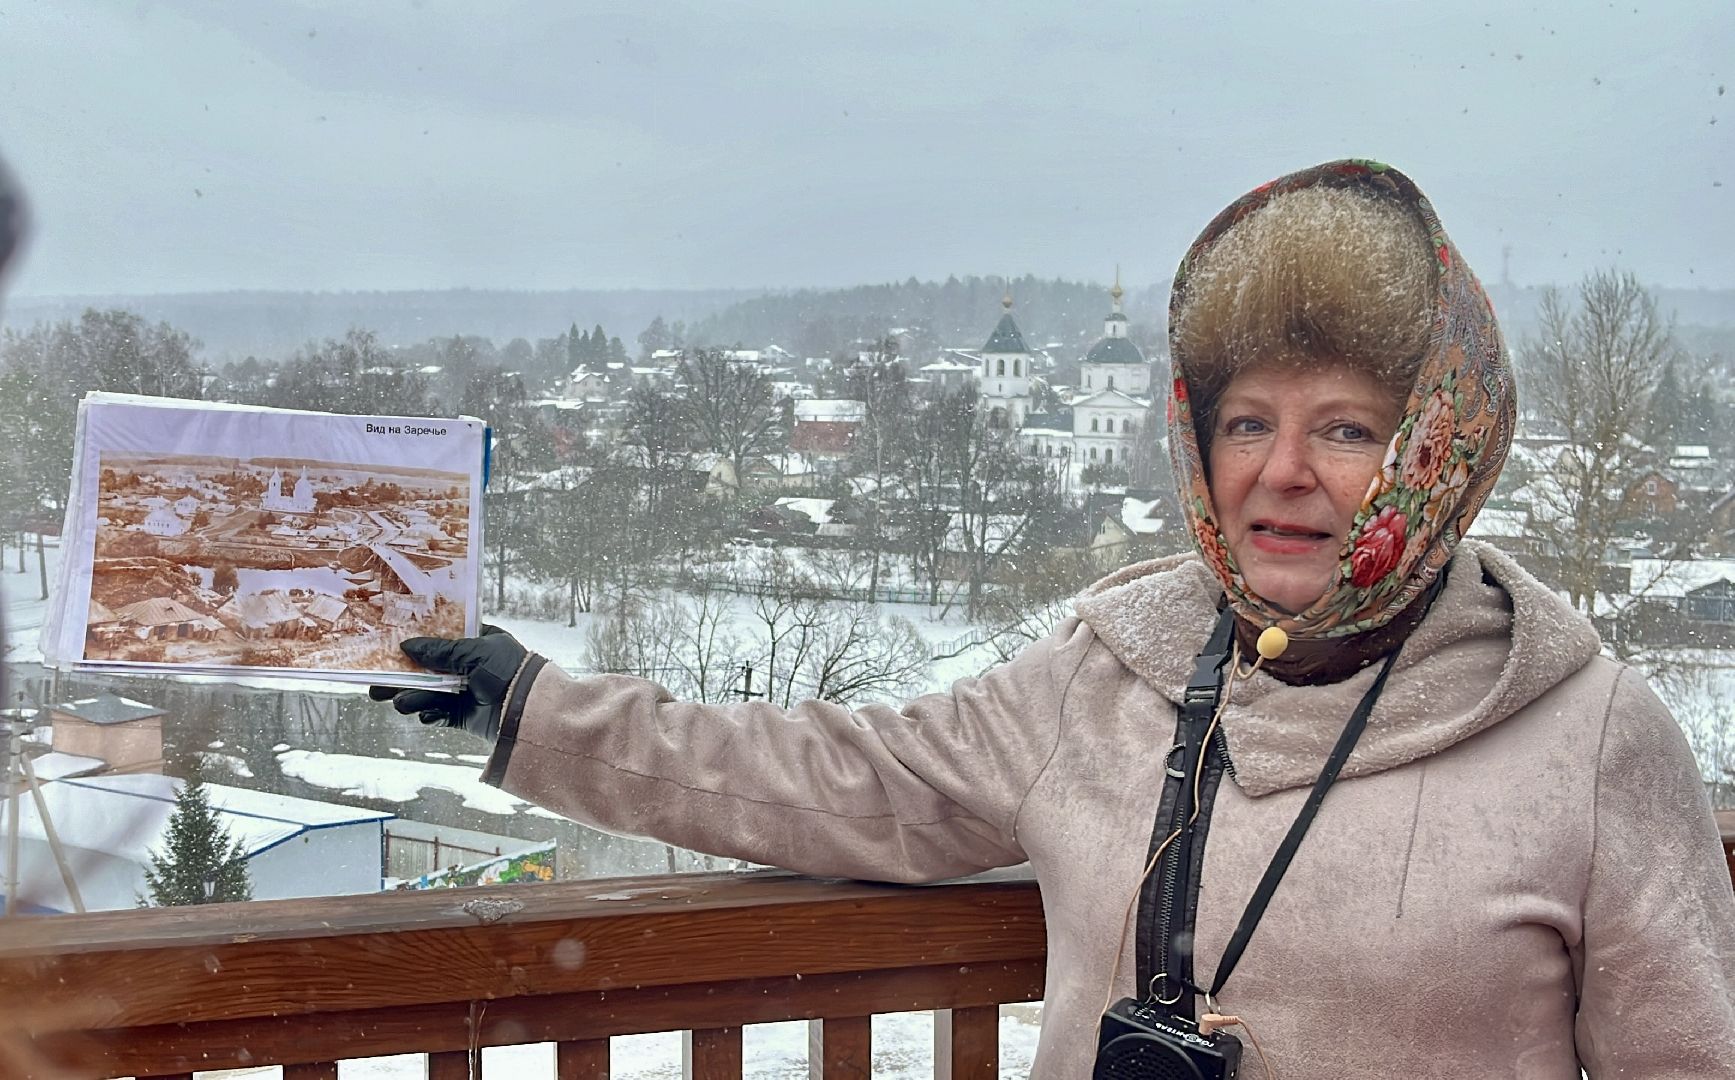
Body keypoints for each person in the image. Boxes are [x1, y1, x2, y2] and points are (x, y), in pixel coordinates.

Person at [375, 160, 1735, 1077]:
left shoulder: (1585, 737)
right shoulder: (1115, 668)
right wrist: (542, 713)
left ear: (1439, 449)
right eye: (1248, 421)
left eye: (1348, 430)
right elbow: (850, 780)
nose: (1282, 473)